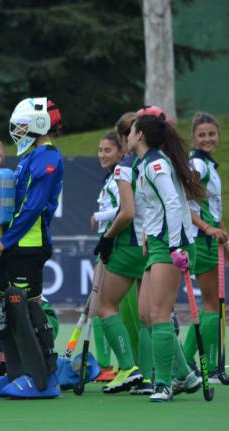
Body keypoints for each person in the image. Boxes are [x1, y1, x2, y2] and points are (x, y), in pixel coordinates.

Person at [0, 97, 64, 399]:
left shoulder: (48, 159)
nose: (17, 131)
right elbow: (16, 199)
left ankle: (43, 377)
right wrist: (1, 168)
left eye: (23, 125)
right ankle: (18, 372)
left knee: (29, 309)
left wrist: (5, 239)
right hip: (17, 244)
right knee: (11, 310)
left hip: (28, 245)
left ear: (40, 124)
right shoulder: (32, 157)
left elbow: (33, 208)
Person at [128, 112, 207, 402]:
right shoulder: (144, 164)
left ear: (140, 135)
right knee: (147, 315)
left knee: (159, 314)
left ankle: (162, 383)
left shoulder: (157, 163)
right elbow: (152, 207)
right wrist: (147, 236)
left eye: (131, 130)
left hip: (174, 245)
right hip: (159, 243)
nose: (127, 135)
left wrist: (175, 247)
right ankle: (186, 375)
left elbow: (173, 204)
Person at [91, 130, 149, 394]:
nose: (103, 155)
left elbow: (126, 210)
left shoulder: (122, 174)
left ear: (121, 151)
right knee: (147, 315)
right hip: (133, 244)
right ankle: (151, 373)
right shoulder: (121, 174)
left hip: (123, 245)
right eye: (100, 150)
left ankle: (128, 367)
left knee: (106, 307)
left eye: (108, 150)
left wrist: (100, 220)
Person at [182, 112, 229, 384]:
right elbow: (184, 201)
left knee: (209, 306)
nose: (207, 139)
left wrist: (226, 239)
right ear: (194, 137)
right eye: (202, 135)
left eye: (211, 134)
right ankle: (210, 369)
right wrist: (206, 229)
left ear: (218, 136)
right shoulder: (198, 166)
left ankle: (187, 358)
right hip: (201, 242)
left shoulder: (209, 166)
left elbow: (213, 209)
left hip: (210, 240)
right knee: (213, 306)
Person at [0, 243, 59, 384]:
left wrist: (7, 359)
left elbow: (28, 317)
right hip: (4, 332)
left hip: (38, 323)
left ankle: (49, 362)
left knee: (19, 369)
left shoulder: (13, 278)